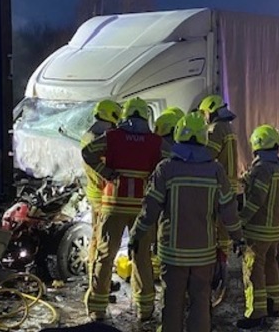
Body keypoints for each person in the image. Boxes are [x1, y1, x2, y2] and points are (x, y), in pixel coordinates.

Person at [129, 112, 243, 332]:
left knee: (172, 303)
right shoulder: (215, 170)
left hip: (172, 253)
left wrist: (136, 235)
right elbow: (229, 210)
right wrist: (238, 238)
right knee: (201, 302)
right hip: (204, 253)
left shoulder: (166, 169)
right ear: (203, 138)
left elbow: (149, 210)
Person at [81, 97, 163, 322]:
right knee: (142, 257)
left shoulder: (111, 137)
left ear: (125, 116)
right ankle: (144, 309)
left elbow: (87, 152)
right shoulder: (155, 141)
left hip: (113, 204)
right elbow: (168, 162)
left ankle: (97, 308)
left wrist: (105, 172)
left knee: (105, 256)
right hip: (141, 208)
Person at [237, 125, 279, 329]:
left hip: (258, 230)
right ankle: (273, 305)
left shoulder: (261, 169)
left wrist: (241, 219)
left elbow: (256, 199)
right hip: (274, 231)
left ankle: (256, 313)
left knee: (253, 271)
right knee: (271, 267)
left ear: (257, 146)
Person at [80, 100, 122, 281]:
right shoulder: (101, 138)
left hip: (94, 192)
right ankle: (96, 280)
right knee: (101, 241)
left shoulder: (88, 134)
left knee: (98, 239)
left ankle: (96, 279)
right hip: (102, 195)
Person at [197, 94, 239, 255]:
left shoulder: (216, 128)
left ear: (211, 111)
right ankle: (223, 262)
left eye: (204, 114)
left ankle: (218, 264)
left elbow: (208, 155)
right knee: (225, 226)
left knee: (217, 227)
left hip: (219, 185)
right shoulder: (228, 127)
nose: (204, 118)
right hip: (229, 184)